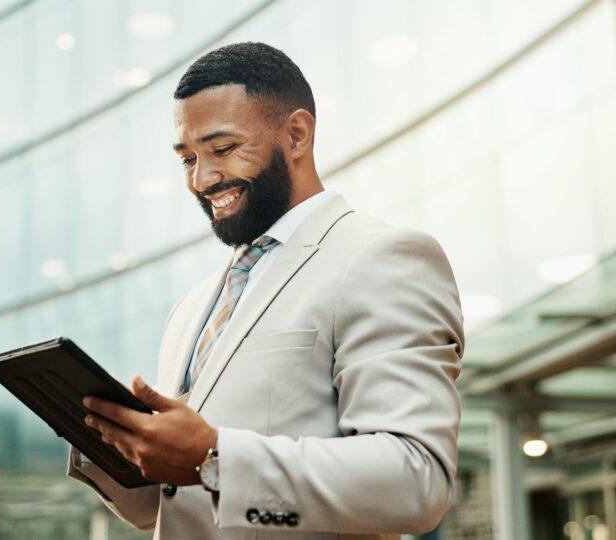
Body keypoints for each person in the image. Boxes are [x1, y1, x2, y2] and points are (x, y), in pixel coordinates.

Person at [66, 41, 464, 539]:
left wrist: (214, 457)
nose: (201, 179)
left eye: (223, 149)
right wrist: (107, 437)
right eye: (187, 158)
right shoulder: (190, 310)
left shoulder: (382, 257)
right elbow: (165, 507)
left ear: (296, 135)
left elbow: (415, 480)